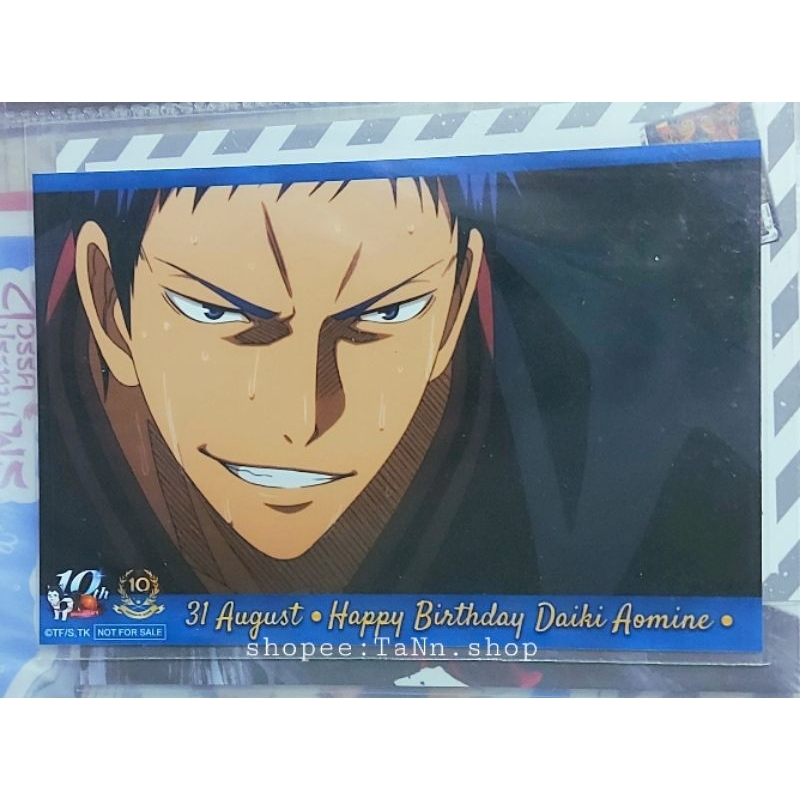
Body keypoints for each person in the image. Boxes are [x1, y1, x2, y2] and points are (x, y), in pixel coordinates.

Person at [35, 159, 762, 598]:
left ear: (453, 307)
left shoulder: (636, 445)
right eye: (221, 314)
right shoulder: (34, 461)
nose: (301, 418)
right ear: (109, 303)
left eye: (384, 315)